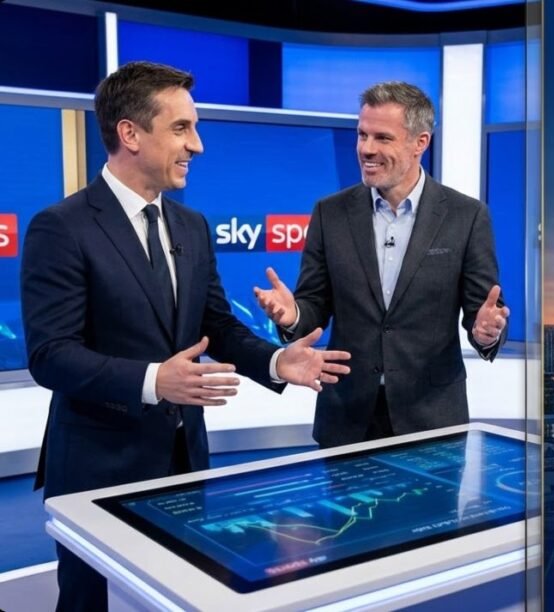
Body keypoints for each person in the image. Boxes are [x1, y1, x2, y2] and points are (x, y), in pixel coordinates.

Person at [20, 61, 350, 611]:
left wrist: (274, 363)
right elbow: (50, 355)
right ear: (130, 133)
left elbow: (214, 326)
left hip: (181, 458)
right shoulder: (62, 227)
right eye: (181, 128)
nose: (196, 145)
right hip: (97, 466)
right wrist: (154, 380)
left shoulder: (191, 226)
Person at [254, 81, 509, 448]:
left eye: (382, 138)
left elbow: (481, 313)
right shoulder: (330, 213)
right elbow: (314, 305)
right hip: (347, 417)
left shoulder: (466, 216)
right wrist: (292, 314)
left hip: (432, 419)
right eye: (362, 135)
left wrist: (487, 331)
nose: (366, 149)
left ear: (420, 142)